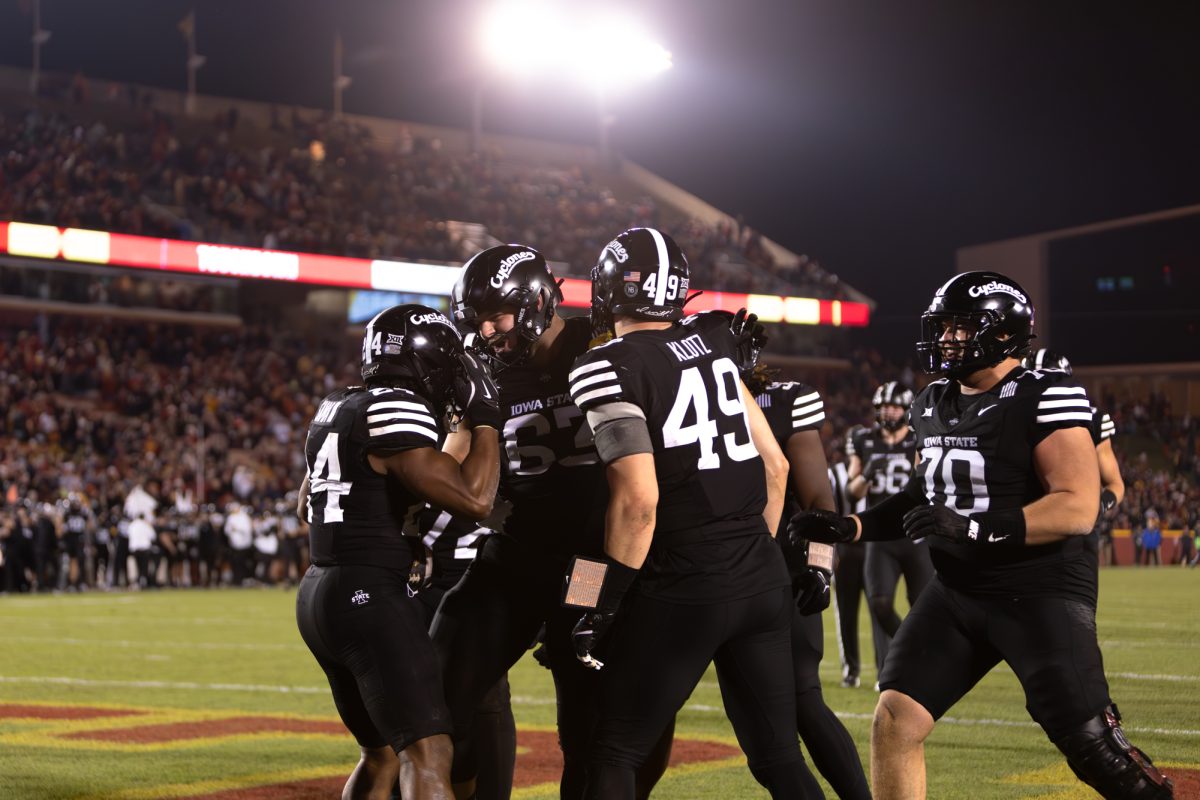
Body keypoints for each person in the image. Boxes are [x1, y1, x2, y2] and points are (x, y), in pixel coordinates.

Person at [792, 271, 1174, 799]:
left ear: (1002, 332)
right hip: (956, 592)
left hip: (1038, 591)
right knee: (896, 719)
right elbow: (926, 493)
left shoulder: (1046, 393)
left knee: (1093, 750)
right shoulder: (931, 401)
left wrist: (975, 527)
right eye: (943, 327)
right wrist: (851, 526)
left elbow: (1078, 506)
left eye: (959, 328)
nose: (946, 339)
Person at [566, 228, 822, 798]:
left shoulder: (605, 364)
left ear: (608, 291)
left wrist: (598, 604)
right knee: (780, 757)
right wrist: (738, 554)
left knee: (611, 751)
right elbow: (775, 467)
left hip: (682, 582)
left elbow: (638, 502)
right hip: (759, 576)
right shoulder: (714, 342)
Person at [430, 244, 670, 800]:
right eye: (478, 321)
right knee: (434, 695)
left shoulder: (609, 345)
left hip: (591, 561)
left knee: (591, 731)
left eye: (497, 316)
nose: (488, 332)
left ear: (537, 299)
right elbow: (454, 459)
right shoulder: (486, 369)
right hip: (518, 552)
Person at [295, 303, 502, 800]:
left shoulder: (340, 404)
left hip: (318, 593)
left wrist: (390, 518)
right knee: (429, 755)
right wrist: (488, 418)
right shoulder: (396, 407)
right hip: (368, 594)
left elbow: (306, 503)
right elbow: (475, 499)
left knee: (381, 754)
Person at [735, 341, 870, 800]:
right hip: (716, 571)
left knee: (800, 704)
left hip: (766, 570)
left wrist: (819, 567)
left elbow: (818, 504)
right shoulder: (665, 388)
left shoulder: (782, 399)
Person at [847, 382, 932, 684]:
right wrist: (868, 472)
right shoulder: (864, 438)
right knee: (880, 604)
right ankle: (907, 653)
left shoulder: (917, 439)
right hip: (881, 536)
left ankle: (922, 665)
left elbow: (926, 484)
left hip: (915, 534)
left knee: (923, 606)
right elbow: (851, 488)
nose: (889, 412)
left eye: (894, 406)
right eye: (884, 406)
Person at [1021, 348, 1125, 572]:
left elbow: (1115, 483)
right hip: (1024, 526)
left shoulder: (1091, 419)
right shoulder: (1005, 418)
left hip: (1072, 535)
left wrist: (1099, 504)